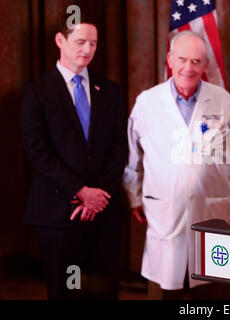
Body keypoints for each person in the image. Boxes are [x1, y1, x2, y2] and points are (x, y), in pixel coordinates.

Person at [122, 31, 230, 300]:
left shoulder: (223, 100)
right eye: (182, 59)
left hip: (216, 211)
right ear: (169, 59)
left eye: (196, 61)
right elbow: (133, 156)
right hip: (165, 215)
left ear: (205, 65)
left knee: (214, 293)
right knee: (165, 288)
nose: (188, 68)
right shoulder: (147, 102)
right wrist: (134, 196)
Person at [20, 16, 128, 299]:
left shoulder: (112, 92)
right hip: (58, 214)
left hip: (104, 213)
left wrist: (99, 195)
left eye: (93, 43)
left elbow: (120, 148)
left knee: (104, 293)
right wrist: (81, 192)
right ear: (60, 40)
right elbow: (38, 153)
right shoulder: (36, 92)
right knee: (66, 294)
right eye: (80, 42)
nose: (88, 49)